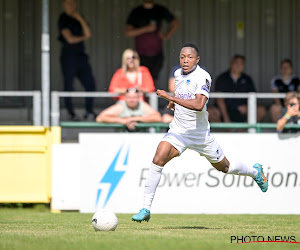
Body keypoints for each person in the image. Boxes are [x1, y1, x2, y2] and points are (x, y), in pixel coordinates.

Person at [131, 43, 268, 223]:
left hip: (200, 134)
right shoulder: (178, 74)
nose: (185, 60)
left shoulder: (203, 77)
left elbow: (198, 105)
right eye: (182, 57)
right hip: (179, 131)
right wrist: (174, 102)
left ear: (197, 59)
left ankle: (255, 172)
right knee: (158, 158)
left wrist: (169, 97)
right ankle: (145, 208)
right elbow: (183, 94)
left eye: (189, 57)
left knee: (224, 167)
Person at [125, 0, 179, 87]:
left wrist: (166, 36)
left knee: (152, 83)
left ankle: (151, 101)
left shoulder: (160, 10)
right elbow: (128, 32)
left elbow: (175, 23)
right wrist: (146, 29)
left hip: (156, 54)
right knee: (140, 81)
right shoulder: (136, 12)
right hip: (140, 55)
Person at [58, 0, 96, 121]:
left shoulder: (80, 17)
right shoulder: (63, 19)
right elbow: (70, 39)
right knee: (69, 85)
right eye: (68, 3)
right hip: (68, 56)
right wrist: (83, 37)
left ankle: (89, 111)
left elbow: (89, 33)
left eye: (73, 3)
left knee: (90, 83)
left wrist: (80, 19)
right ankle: (71, 113)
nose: (71, 6)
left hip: (81, 55)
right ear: (63, 4)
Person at [215, 55, 266, 123]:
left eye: (241, 63)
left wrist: (248, 107)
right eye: (236, 63)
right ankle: (225, 131)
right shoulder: (222, 78)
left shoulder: (247, 79)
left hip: (242, 111)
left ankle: (243, 131)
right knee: (211, 112)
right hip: (225, 110)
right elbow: (219, 99)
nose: (238, 65)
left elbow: (253, 96)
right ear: (231, 63)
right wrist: (226, 118)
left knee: (261, 110)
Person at [96, 88, 162, 131]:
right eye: (129, 97)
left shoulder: (143, 105)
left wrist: (136, 118)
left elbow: (158, 117)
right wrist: (123, 121)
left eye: (134, 97)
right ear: (125, 98)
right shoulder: (120, 106)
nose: (132, 100)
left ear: (139, 98)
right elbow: (100, 118)